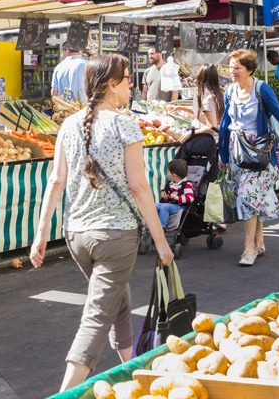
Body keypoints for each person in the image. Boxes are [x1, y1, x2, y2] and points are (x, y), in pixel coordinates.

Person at [30, 53, 173, 392]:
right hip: (115, 235)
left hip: (76, 235)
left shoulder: (68, 124)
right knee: (96, 317)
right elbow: (139, 188)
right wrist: (162, 243)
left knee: (116, 300)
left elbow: (55, 182)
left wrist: (41, 234)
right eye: (127, 79)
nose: (131, 86)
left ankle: (134, 371)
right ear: (111, 84)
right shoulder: (125, 123)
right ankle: (65, 393)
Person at [218, 49, 279, 267]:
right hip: (237, 153)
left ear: (250, 69)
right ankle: (259, 242)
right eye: (231, 67)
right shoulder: (229, 91)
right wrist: (223, 154)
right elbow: (224, 125)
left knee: (247, 197)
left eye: (237, 67)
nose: (232, 71)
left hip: (259, 154)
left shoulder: (262, 89)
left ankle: (249, 249)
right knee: (252, 199)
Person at [181, 64, 223, 142]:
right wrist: (181, 108)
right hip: (221, 139)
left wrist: (191, 133)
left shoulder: (208, 100)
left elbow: (211, 128)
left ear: (200, 78)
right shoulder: (220, 94)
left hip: (211, 142)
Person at [156, 159, 195, 229]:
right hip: (171, 205)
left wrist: (178, 198)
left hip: (180, 207)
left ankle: (162, 228)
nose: (166, 173)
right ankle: (152, 225)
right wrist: (166, 198)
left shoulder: (186, 185)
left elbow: (190, 198)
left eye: (168, 172)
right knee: (155, 205)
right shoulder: (171, 184)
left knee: (165, 207)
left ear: (174, 175)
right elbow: (169, 198)